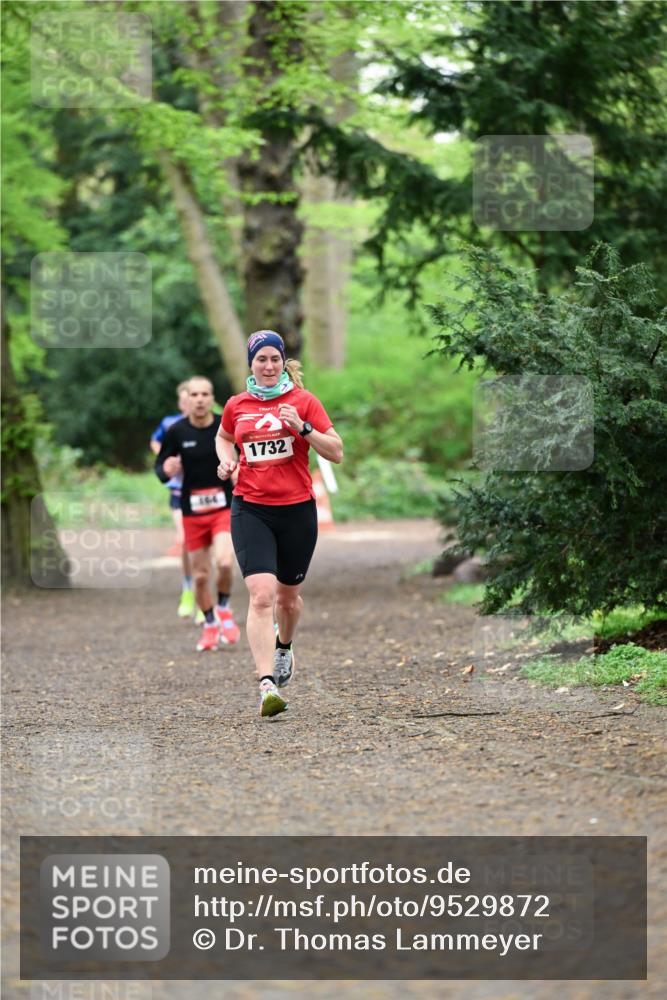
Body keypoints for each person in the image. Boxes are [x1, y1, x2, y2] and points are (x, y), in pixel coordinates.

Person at [216, 330, 343, 717]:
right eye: (261, 360)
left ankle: (284, 646)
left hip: (297, 512)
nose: (268, 366)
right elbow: (223, 437)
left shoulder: (303, 401)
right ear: (251, 364)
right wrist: (226, 460)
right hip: (250, 508)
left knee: (288, 599)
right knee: (261, 596)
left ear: (282, 362)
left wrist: (302, 428)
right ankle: (266, 684)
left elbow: (336, 451)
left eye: (274, 359)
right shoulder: (237, 405)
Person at [155, 376, 241, 651]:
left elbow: (242, 458)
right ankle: (209, 623)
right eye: (195, 394)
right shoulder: (176, 431)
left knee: (225, 562)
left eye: (205, 394)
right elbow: (160, 467)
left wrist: (237, 473)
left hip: (223, 508)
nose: (200, 399)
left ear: (212, 398)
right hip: (192, 511)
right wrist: (166, 470)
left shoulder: (223, 427)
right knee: (201, 576)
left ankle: (224, 607)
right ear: (186, 400)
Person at [150, 382, 194, 618]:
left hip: (206, 494)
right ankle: (188, 588)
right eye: (185, 400)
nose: (190, 404)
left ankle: (203, 593)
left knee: (207, 549)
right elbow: (155, 441)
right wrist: (165, 458)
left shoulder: (210, 424)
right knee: (186, 540)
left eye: (194, 398)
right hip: (179, 493)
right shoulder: (170, 424)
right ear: (180, 402)